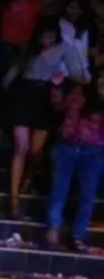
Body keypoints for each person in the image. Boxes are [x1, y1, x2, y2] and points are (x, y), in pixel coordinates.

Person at [3, 16, 89, 217]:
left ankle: (28, 179)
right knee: (21, 146)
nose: (47, 39)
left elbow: (80, 76)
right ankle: (14, 200)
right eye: (44, 35)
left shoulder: (64, 48)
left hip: (45, 96)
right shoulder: (29, 48)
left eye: (50, 35)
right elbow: (11, 75)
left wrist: (64, 77)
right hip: (24, 94)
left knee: (35, 150)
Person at [45, 70, 104, 251]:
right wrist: (56, 86)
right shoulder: (79, 92)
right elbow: (59, 106)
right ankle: (53, 229)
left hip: (93, 151)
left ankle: (78, 235)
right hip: (67, 146)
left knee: (87, 194)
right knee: (59, 189)